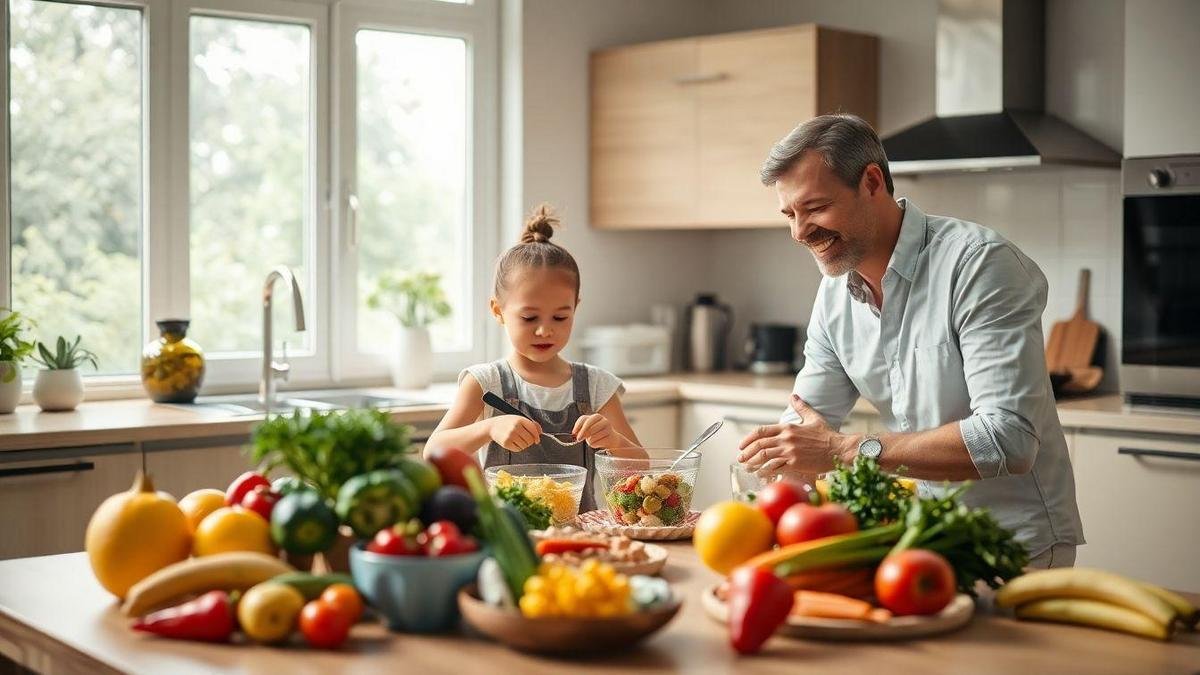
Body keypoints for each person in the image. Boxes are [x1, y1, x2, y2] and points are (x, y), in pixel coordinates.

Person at [736, 114, 1084, 568]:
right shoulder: (835, 291)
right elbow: (808, 423)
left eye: (816, 207)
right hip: (916, 540)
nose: (800, 232)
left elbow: (1009, 439)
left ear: (872, 181)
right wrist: (778, 493)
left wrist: (843, 450)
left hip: (1015, 546)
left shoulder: (979, 266)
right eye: (790, 214)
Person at [427, 204, 644, 512]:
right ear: (498, 311)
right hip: (510, 535)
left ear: (575, 308)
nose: (545, 330)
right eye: (529, 317)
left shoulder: (596, 385)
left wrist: (615, 442)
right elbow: (433, 451)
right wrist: (488, 429)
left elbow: (642, 467)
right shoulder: (485, 382)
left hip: (581, 537)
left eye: (560, 316)